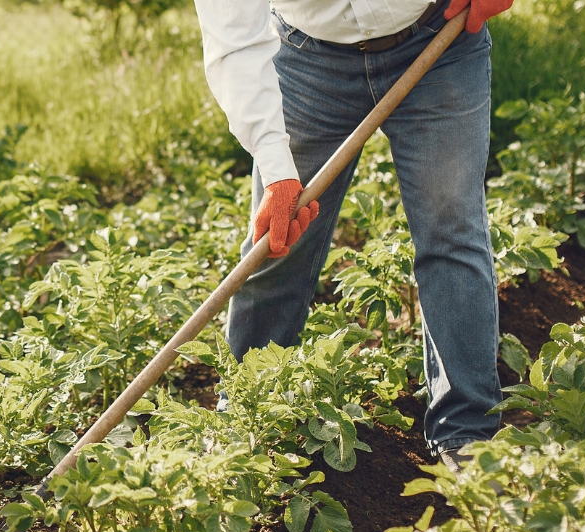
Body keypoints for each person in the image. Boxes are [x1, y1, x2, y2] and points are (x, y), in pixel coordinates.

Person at [194, 0, 513, 469]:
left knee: (452, 234)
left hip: (437, 36)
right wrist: (276, 165)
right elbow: (234, 38)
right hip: (307, 61)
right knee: (280, 242)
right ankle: (244, 415)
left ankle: (467, 433)